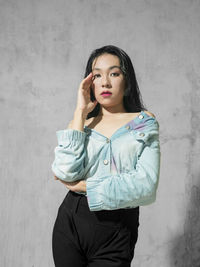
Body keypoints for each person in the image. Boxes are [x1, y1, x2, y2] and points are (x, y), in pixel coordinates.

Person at [51, 45, 161, 267]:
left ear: (127, 81)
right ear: (90, 83)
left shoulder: (143, 122)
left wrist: (86, 187)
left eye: (114, 73)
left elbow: (146, 186)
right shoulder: (82, 124)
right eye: (97, 75)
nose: (105, 82)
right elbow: (64, 171)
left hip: (116, 227)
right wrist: (80, 112)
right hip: (70, 221)